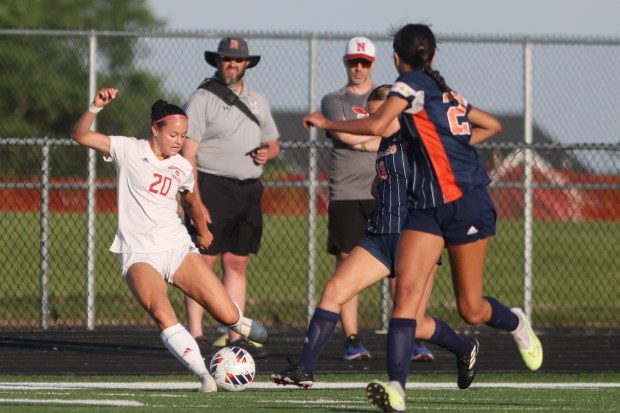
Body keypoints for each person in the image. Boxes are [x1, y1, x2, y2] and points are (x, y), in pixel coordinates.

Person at [302, 24, 543, 412]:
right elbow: (491, 127)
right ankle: (397, 388)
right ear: (431, 54)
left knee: (471, 308)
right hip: (426, 206)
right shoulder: (433, 90)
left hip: (466, 201)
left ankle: (515, 323)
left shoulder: (413, 86)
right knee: (406, 300)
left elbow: (378, 126)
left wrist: (328, 123)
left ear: (396, 57)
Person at [271, 85, 479, 390]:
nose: (371, 118)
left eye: (376, 112)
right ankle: (304, 369)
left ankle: (464, 349)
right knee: (334, 290)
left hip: (416, 240)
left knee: (413, 323)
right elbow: (387, 173)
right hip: (380, 237)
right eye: (369, 113)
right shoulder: (386, 141)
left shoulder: (420, 138)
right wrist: (378, 182)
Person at [71, 88, 268, 392]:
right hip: (139, 254)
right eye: (174, 134)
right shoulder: (128, 149)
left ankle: (238, 322)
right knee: (163, 313)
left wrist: (203, 231)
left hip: (177, 249)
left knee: (226, 313)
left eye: (184, 135)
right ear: (155, 129)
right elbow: (81, 135)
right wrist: (95, 107)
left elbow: (191, 202)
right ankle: (204, 375)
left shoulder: (182, 166)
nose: (180, 140)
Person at [181, 37, 280, 359]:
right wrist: (196, 199)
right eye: (226, 59)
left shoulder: (258, 100)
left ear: (247, 63)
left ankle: (235, 333)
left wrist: (269, 152)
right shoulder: (202, 98)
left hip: (249, 190)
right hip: (212, 186)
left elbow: (273, 141)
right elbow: (188, 153)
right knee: (202, 262)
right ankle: (195, 333)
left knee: (237, 263)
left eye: (237, 60)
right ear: (217, 62)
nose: (231, 64)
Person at [321, 36, 382, 361]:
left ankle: (412, 333)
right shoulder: (334, 99)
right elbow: (343, 133)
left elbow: (394, 130)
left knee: (402, 264)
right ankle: (352, 338)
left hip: (386, 189)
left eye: (364, 63)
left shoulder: (385, 98)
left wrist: (367, 137)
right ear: (346, 63)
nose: (358, 68)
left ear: (373, 64)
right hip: (346, 191)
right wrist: (377, 137)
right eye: (353, 62)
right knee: (346, 263)